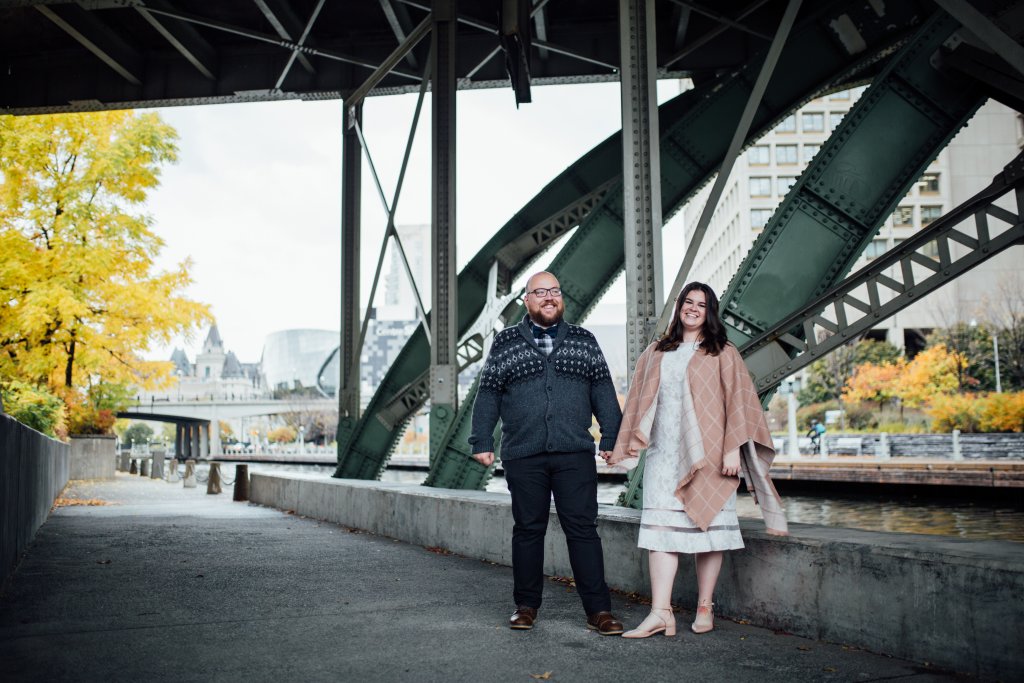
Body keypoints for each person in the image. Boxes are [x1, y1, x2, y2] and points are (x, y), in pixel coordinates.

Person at [606, 281, 788, 638]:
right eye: (687, 302)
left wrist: (733, 449)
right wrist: (623, 445)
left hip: (711, 456)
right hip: (663, 456)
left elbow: (739, 400)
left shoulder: (722, 351)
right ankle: (661, 613)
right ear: (679, 307)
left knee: (708, 532)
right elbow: (638, 401)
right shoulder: (657, 351)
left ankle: (705, 605)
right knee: (661, 534)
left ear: (710, 312)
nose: (692, 309)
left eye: (700, 305)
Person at [469, 271, 625, 635]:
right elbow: (489, 393)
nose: (549, 297)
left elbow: (603, 389)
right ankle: (525, 606)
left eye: (554, 290)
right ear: (527, 300)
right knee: (528, 530)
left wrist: (611, 437)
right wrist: (482, 441)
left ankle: (599, 611)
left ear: (561, 298)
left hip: (574, 453)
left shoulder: (584, 340)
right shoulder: (506, 342)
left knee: (583, 530)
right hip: (524, 453)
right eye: (540, 292)